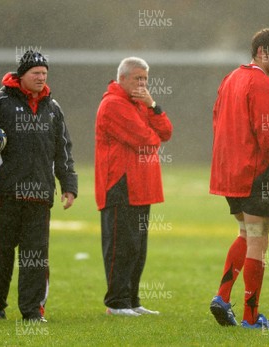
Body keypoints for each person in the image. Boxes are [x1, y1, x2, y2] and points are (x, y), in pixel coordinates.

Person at [0, 50, 78, 322]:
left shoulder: (53, 108)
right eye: (35, 73)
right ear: (21, 75)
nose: (41, 77)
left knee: (36, 257)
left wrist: (68, 185)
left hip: (39, 195)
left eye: (44, 73)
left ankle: (33, 311)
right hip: (3, 193)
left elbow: (63, 150)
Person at [209, 28, 269, 329]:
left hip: (231, 171)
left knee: (245, 233)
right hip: (255, 172)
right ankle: (251, 318)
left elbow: (217, 119)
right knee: (258, 240)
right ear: (261, 52)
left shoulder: (230, 79)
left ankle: (222, 298)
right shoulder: (262, 84)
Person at [95, 57, 173, 316]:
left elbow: (166, 132)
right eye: (138, 78)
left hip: (142, 185)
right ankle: (116, 303)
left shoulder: (139, 104)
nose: (142, 84)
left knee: (138, 248)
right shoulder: (113, 104)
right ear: (123, 78)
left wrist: (152, 105)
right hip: (120, 184)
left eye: (145, 79)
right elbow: (146, 141)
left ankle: (131, 300)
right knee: (121, 245)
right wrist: (153, 135)